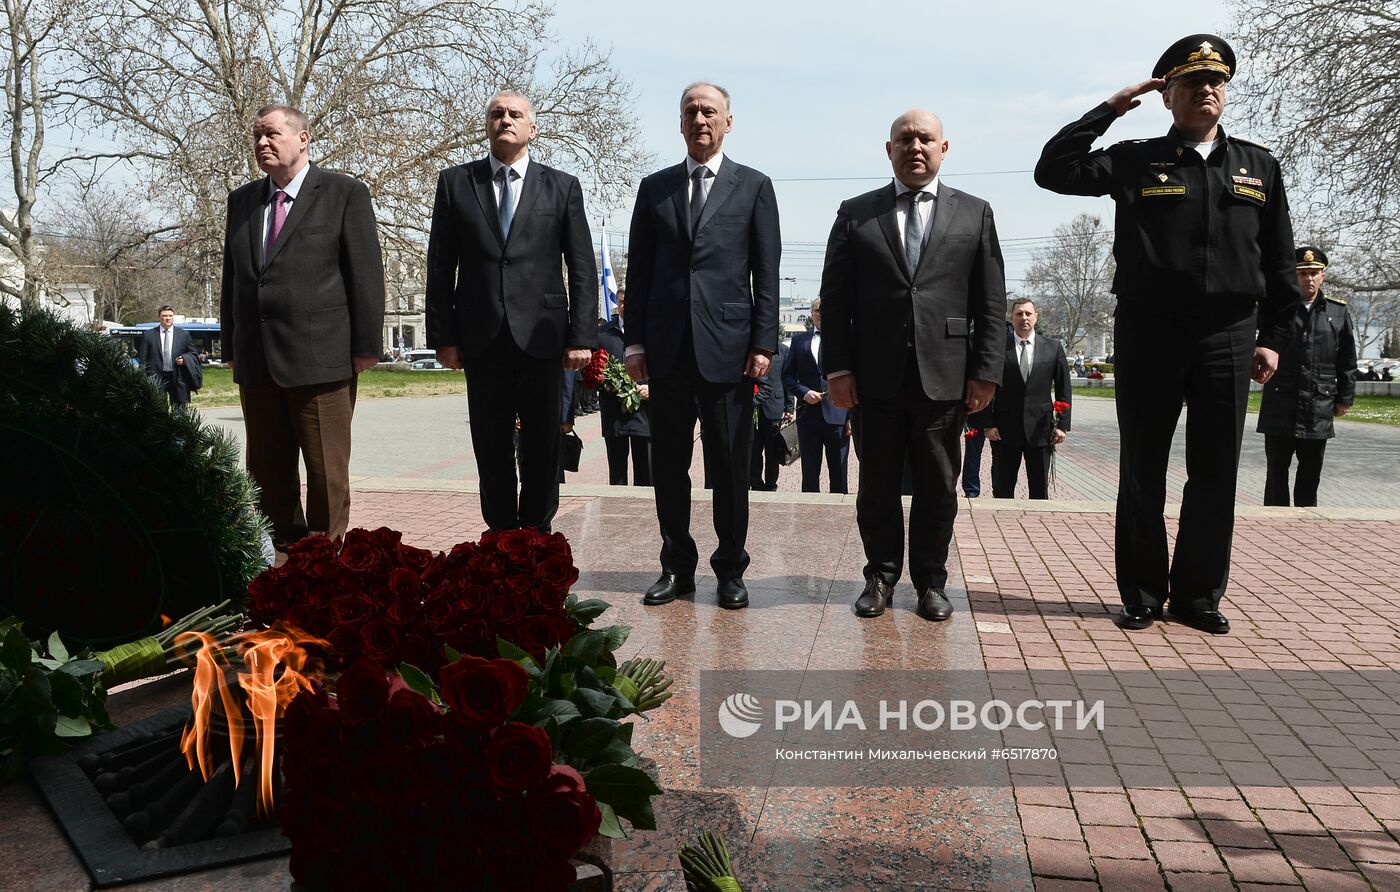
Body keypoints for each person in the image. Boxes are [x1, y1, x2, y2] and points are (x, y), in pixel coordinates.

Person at [1035, 34, 1300, 634]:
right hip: (1149, 331)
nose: (1206, 91)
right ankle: (1145, 591)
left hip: (1229, 334)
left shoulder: (1258, 166)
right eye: (1191, 83)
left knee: (1215, 468)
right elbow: (1052, 171)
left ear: (1224, 93)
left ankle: (1200, 594)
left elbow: (1280, 261)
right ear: (1168, 96)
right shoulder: (1136, 158)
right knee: (1143, 464)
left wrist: (1273, 337)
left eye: (1216, 83)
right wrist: (1110, 108)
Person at [821, 108, 1005, 622]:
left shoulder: (975, 213)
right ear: (889, 149)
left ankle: (930, 581)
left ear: (944, 149)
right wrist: (837, 368)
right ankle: (879, 576)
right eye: (905, 139)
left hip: (946, 377)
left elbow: (990, 301)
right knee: (875, 483)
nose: (915, 146)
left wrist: (986, 370)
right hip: (872, 378)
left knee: (937, 484)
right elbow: (834, 300)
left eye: (926, 139)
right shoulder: (856, 213)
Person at [624, 82, 781, 610]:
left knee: (732, 467)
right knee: (668, 465)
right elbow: (640, 272)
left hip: (731, 351)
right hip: (667, 351)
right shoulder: (655, 189)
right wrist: (634, 344)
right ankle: (676, 565)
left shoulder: (754, 186)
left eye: (709, 111)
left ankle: (731, 568)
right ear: (680, 122)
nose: (699, 118)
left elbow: (767, 271)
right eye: (690, 110)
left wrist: (764, 342)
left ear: (728, 121)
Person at [425, 90, 597, 533]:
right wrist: (443, 336)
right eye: (496, 113)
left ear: (532, 128)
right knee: (490, 442)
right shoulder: (457, 183)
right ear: (486, 125)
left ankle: (536, 535)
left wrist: (582, 337)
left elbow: (581, 267)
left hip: (543, 338)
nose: (505, 119)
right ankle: (500, 535)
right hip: (481, 338)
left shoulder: (562, 186)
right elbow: (441, 265)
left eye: (515, 114)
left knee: (542, 441)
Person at [220, 104, 385, 545]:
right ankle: (282, 564)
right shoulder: (243, 201)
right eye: (257, 137)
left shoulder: (343, 193)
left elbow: (365, 275)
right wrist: (230, 349)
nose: (261, 144)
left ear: (303, 138)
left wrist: (366, 346)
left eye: (271, 134)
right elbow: (232, 281)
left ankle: (325, 567)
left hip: (322, 361)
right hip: (257, 363)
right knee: (267, 474)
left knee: (326, 472)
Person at [1257, 247, 1356, 507]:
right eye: (1302, 273)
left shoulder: (1338, 313)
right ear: (1294, 275)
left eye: (1314, 273)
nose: (1308, 279)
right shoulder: (1277, 311)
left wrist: (1344, 398)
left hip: (1318, 404)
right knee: (1276, 472)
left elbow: (1347, 360)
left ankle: (1306, 520)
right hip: (1281, 402)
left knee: (1310, 473)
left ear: (1323, 276)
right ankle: (1274, 523)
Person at [985, 298, 1071, 499]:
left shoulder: (1053, 347)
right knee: (1002, 489)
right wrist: (987, 424)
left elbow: (1063, 388)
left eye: (1028, 313)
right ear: (1011, 318)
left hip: (1040, 431)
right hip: (1003, 430)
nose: (1024, 318)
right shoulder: (998, 348)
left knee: (1040, 491)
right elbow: (987, 385)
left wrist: (1062, 425)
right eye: (1019, 314)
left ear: (1036, 317)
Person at [782, 297, 850, 493]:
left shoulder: (844, 340)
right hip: (808, 417)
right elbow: (787, 376)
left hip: (838, 415)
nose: (821, 314)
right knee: (810, 473)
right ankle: (808, 515)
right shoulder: (798, 341)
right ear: (812, 313)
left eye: (825, 310)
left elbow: (854, 378)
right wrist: (803, 393)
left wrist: (851, 417)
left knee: (839, 472)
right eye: (818, 310)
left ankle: (838, 511)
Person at [596, 288, 651, 486]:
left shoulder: (651, 331)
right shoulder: (603, 333)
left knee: (646, 474)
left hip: (644, 412)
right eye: (621, 301)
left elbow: (666, 365)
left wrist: (651, 388)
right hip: (614, 415)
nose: (624, 306)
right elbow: (591, 371)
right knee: (617, 474)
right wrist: (602, 380)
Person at [139, 306, 198, 414]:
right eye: (164, 316)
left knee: (180, 411)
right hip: (156, 378)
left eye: (170, 316)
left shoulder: (183, 335)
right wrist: (143, 380)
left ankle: (179, 430)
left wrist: (184, 359)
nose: (167, 318)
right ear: (159, 317)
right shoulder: (148, 335)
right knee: (158, 410)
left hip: (178, 377)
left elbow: (194, 353)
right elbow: (143, 360)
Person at [750, 338, 791, 491]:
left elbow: (787, 379)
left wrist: (789, 407)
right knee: (754, 449)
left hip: (775, 407)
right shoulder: (751, 349)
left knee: (772, 450)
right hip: (753, 408)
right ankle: (755, 482)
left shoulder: (783, 350)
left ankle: (770, 484)